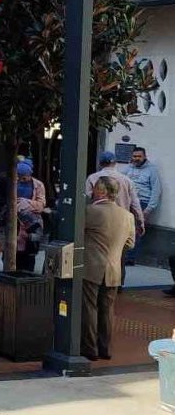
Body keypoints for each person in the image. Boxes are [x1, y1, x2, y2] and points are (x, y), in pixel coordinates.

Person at [82, 177, 135, 361]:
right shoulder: (127, 216)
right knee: (107, 310)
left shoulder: (90, 211)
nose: (92, 192)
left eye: (95, 188)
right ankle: (105, 348)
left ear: (102, 191)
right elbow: (130, 243)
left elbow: (77, 233)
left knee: (89, 308)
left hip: (91, 267)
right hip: (113, 269)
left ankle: (90, 348)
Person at [122, 147, 160, 267]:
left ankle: (130, 258)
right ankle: (122, 255)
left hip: (142, 202)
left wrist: (148, 209)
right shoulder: (128, 168)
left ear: (144, 157)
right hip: (127, 201)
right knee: (124, 229)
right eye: (134, 156)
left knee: (136, 230)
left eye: (139, 156)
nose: (136, 158)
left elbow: (156, 190)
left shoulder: (152, 170)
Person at [15, 161, 46, 272]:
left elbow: (41, 205)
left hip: (31, 224)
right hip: (15, 224)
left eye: (25, 177)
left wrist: (26, 202)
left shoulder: (38, 185)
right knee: (15, 255)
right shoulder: (13, 183)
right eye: (21, 177)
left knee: (29, 256)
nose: (23, 179)